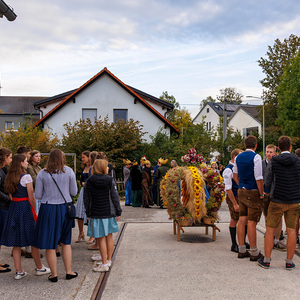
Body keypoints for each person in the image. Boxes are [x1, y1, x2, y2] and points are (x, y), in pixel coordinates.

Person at [1, 154, 50, 280]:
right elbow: (31, 197)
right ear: (21, 163)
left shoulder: (9, 177)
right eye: (26, 161)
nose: (27, 163)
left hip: (14, 207)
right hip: (25, 207)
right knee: (33, 238)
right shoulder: (26, 177)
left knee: (16, 242)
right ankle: (39, 267)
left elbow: (11, 196)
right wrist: (34, 210)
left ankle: (19, 271)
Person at [33, 149, 78, 282]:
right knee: (66, 241)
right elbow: (74, 192)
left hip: (48, 208)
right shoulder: (69, 171)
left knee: (50, 243)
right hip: (65, 208)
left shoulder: (42, 173)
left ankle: (54, 274)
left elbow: (38, 195)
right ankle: (69, 271)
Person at [258, 136, 300, 270]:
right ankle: (289, 262)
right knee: (292, 230)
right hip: (294, 200)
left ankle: (267, 260)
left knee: (270, 229)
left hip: (277, 199)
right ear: (291, 147)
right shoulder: (298, 161)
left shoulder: (274, 161)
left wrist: (271, 190)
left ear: (278, 148)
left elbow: (267, 181)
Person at [84, 159, 122, 272]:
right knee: (109, 237)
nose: (108, 168)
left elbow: (87, 199)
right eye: (106, 166)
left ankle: (104, 263)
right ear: (102, 168)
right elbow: (115, 196)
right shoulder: (110, 180)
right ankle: (108, 261)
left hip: (96, 213)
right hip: (109, 212)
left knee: (100, 238)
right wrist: (118, 211)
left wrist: (88, 213)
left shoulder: (89, 181)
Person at [233, 135, 264, 261]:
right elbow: (259, 177)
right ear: (256, 145)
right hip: (253, 191)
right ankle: (254, 251)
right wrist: (261, 193)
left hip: (241, 190)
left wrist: (241, 184)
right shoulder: (256, 157)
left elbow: (235, 176)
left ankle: (241, 249)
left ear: (245, 145)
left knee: (241, 219)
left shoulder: (238, 157)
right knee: (252, 222)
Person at [262, 144, 285, 251]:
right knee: (267, 216)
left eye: (271, 152)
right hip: (265, 193)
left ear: (275, 153)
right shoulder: (262, 163)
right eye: (267, 151)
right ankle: (269, 236)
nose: (269, 154)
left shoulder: (278, 163)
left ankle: (277, 239)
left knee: (278, 217)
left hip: (276, 193)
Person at [223, 149, 243, 253]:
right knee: (234, 219)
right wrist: (234, 203)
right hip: (233, 197)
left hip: (240, 196)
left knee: (243, 220)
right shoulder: (228, 170)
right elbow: (228, 189)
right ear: (234, 157)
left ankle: (242, 241)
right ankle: (234, 244)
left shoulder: (237, 168)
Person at [0, 147, 12, 273]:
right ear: (4, 158)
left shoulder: (2, 171)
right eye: (10, 157)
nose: (11, 159)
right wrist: (9, 199)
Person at [75, 150, 90, 243]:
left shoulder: (92, 168)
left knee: (89, 213)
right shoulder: (84, 168)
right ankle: (81, 232)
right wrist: (82, 183)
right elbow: (81, 180)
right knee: (79, 213)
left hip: (90, 192)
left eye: (84, 157)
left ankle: (92, 235)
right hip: (83, 191)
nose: (82, 159)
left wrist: (87, 183)